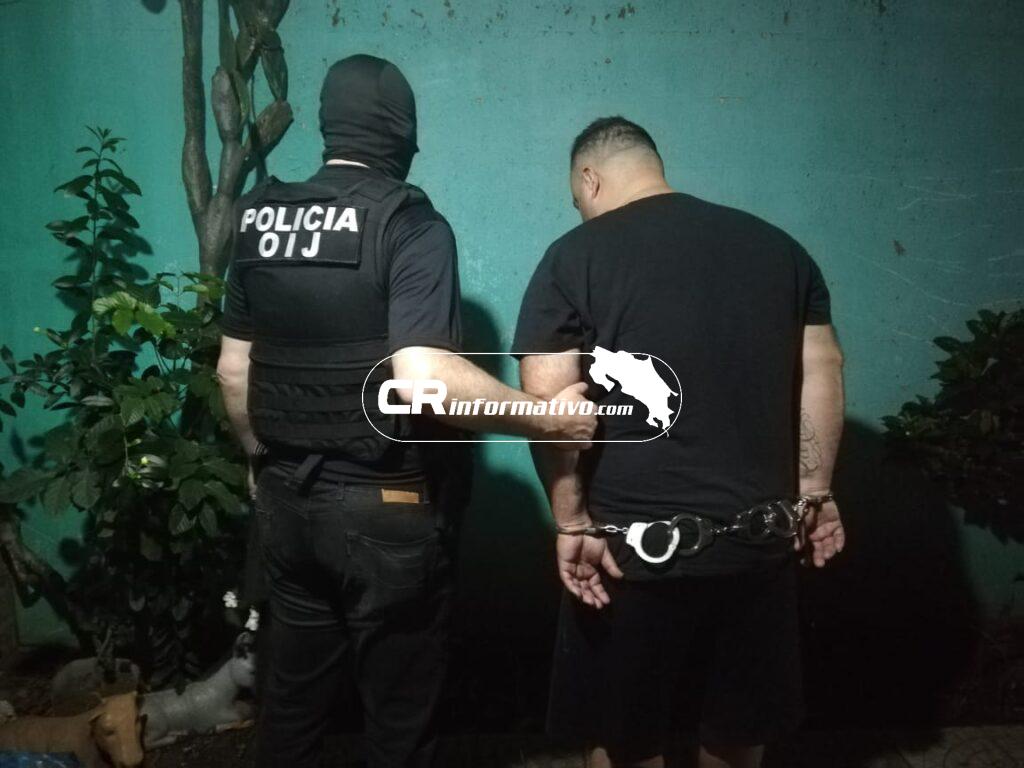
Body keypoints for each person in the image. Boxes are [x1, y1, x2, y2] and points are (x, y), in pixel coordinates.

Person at [215, 55, 595, 768]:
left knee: (290, 711)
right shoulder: (409, 222)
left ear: (329, 125)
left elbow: (234, 371)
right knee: (399, 724)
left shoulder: (258, 218)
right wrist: (550, 419)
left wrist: (260, 460)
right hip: (384, 506)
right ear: (402, 135)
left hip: (286, 501)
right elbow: (423, 380)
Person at [514, 116, 845, 768]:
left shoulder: (573, 257)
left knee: (626, 741)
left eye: (578, 200)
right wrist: (816, 492)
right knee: (735, 732)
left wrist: (571, 520)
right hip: (760, 540)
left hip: (627, 551)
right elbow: (823, 368)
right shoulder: (780, 249)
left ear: (589, 178)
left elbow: (551, 405)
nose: (582, 212)